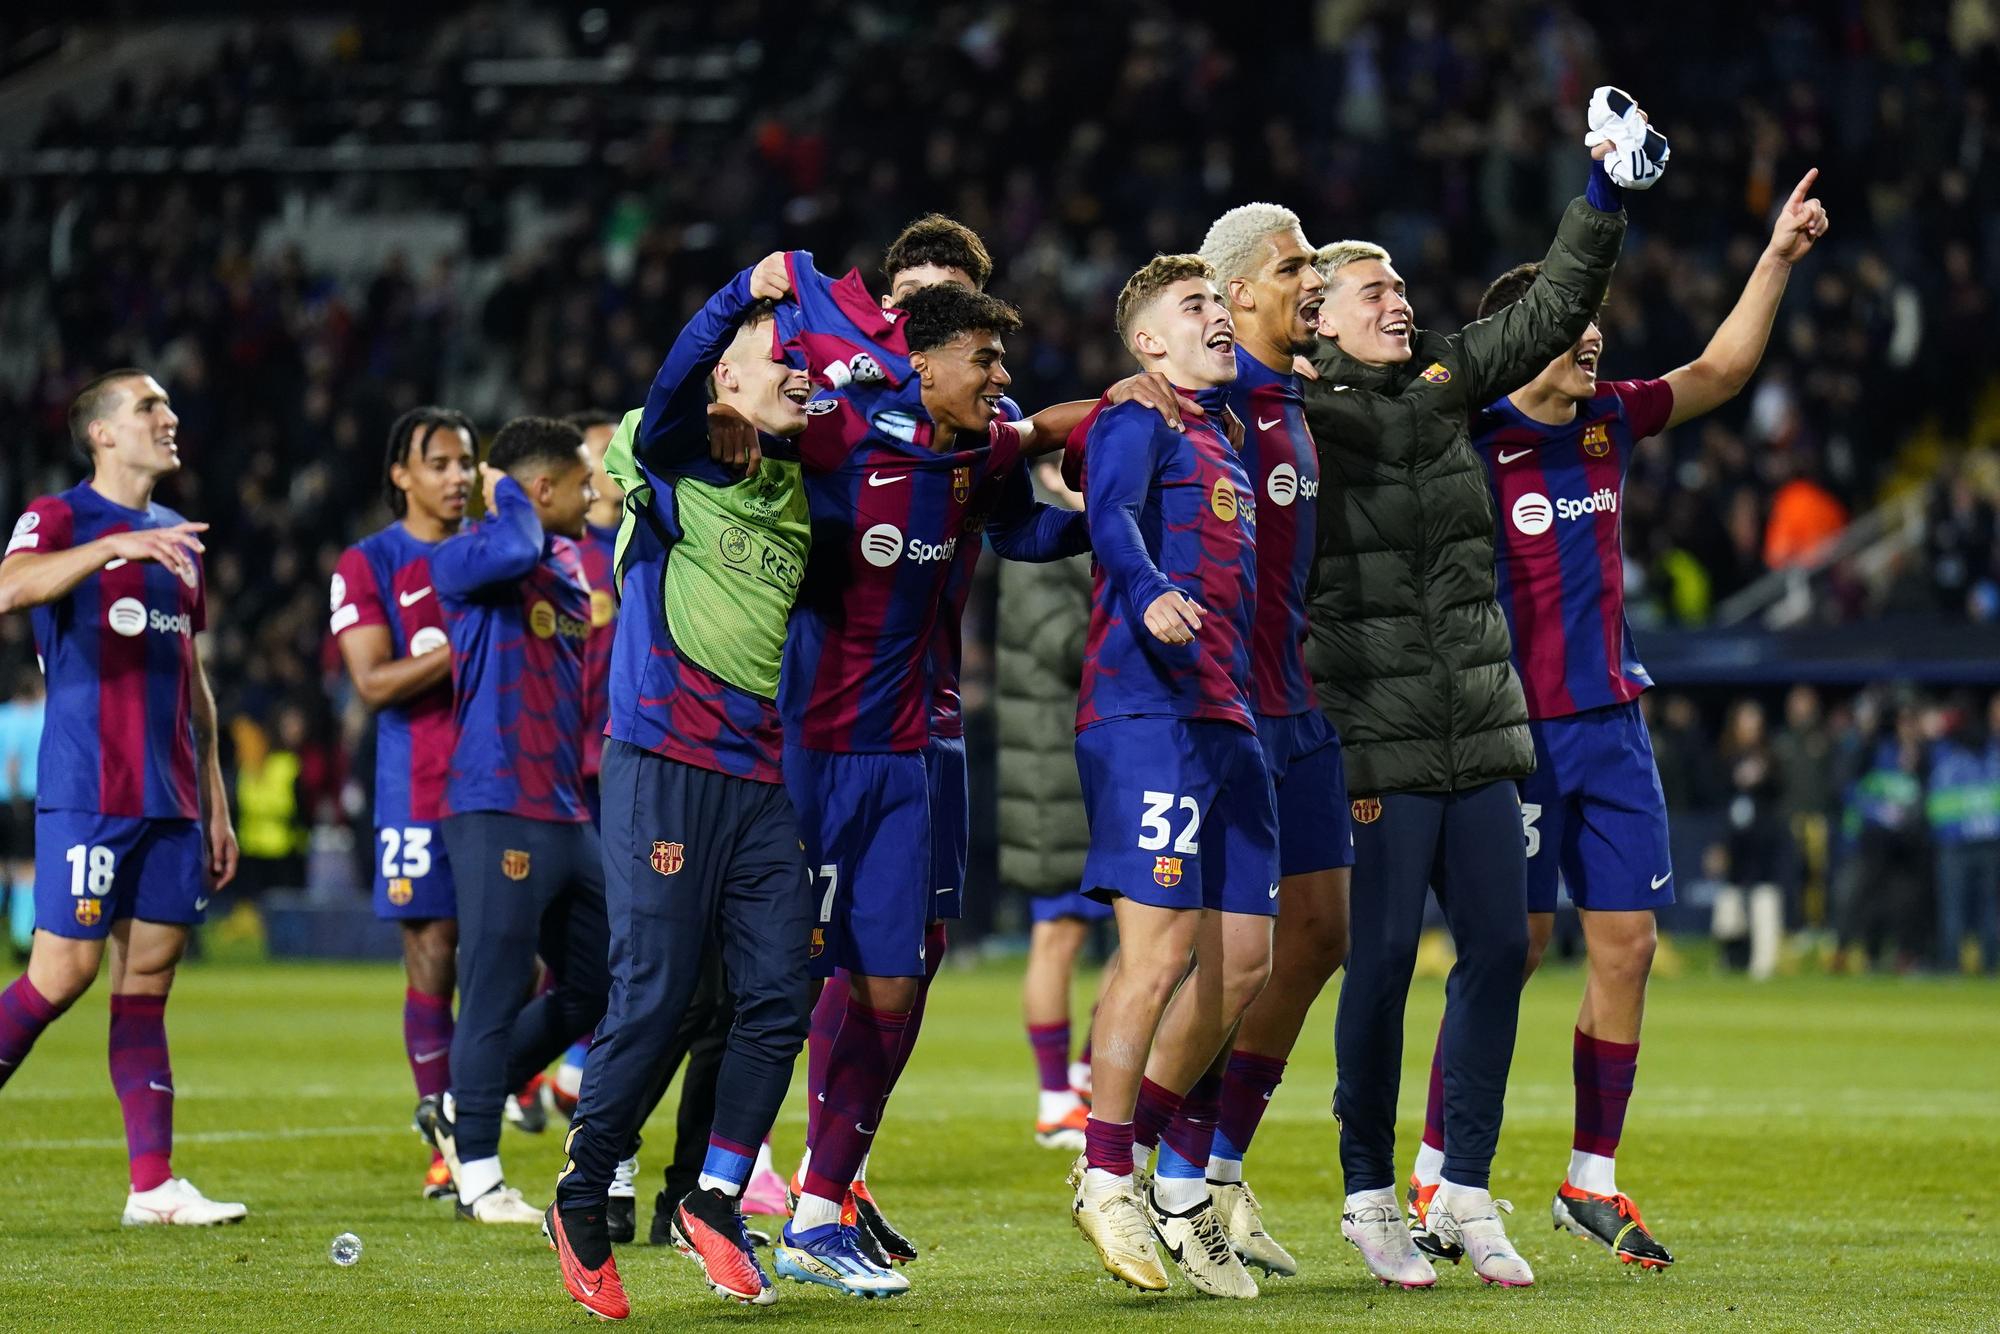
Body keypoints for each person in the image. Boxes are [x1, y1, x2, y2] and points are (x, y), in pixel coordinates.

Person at [1412, 167, 1828, 1269]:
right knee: (1511, 948)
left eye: (1593, 318)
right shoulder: (1465, 436)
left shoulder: (1608, 422)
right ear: (1519, 334)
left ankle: (1587, 1177)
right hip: (1513, 729)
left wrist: (1777, 255)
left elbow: (1721, 368)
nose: (1589, 336)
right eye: (1567, 321)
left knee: (1630, 944)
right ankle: (1430, 1166)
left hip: (1610, 720)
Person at [1298, 94, 1644, 1289]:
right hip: (1378, 738)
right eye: (1370, 291)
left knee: (1500, 945)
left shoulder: (1446, 385)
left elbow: (1551, 306)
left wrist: (1599, 189)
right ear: (1318, 321)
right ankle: (1365, 1191)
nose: (1397, 300)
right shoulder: (1299, 419)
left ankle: (1465, 1187)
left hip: (1482, 727)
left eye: (1399, 286)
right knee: (1383, 958)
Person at [776, 279, 1095, 1300]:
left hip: (925, 745)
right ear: (920, 354)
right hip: (821, 746)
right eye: (984, 358)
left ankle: (821, 1201)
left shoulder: (985, 449)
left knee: (904, 974)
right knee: (779, 980)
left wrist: (1106, 508)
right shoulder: (832, 438)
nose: (1001, 378)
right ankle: (703, 1184)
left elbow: (1025, 533)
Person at [548, 256, 819, 1318]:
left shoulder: (802, 482)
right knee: (657, 991)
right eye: (775, 356)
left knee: (776, 994)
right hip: (662, 761)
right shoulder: (666, 454)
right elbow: (661, 394)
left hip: (757, 772)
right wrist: (739, 295)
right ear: (724, 383)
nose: (798, 369)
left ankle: (711, 1194)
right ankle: (579, 1192)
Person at [1120, 199, 1351, 1280]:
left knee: (1315, 937)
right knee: (1222, 959)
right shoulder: (1196, 400)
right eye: (1293, 262)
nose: (1314, 276)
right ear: (1237, 291)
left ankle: (1211, 1165)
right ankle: (1157, 1171)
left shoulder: (1299, 397)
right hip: (1225, 710)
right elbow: (1105, 413)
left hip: (1296, 703)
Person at [1067, 254, 1276, 1301]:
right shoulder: (1133, 417)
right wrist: (1147, 588)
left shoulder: (1224, 432)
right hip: (1145, 711)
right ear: (1147, 342)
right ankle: (1106, 1172)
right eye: (1191, 306)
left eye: (1217, 301)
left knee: (1242, 963)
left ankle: (1130, 1145)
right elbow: (1108, 518)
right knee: (1153, 955)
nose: (1215, 315)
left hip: (1227, 716)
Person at [0, 368, 244, 1224]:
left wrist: (215, 800)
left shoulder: (179, 531)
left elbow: (193, 675)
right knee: (61, 974)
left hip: (173, 793)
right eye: (148, 407)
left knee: (147, 983)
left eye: (170, 405)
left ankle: (153, 1187)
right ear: (102, 433)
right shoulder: (60, 515)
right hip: (91, 787)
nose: (169, 418)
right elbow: (8, 588)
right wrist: (111, 547)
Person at [415, 416, 612, 1224]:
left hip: (564, 805)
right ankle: (481, 1177)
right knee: (493, 990)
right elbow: (509, 548)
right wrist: (501, 489)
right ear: (536, 491)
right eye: (578, 483)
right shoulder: (470, 556)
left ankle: (467, 1106)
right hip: (494, 804)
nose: (592, 492)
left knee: (600, 983)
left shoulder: (566, 562)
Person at [329, 406, 477, 1200]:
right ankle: (445, 1138)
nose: (458, 477)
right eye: (441, 463)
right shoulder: (370, 563)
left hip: (509, 780)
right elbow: (374, 682)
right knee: (431, 953)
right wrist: (471, 646)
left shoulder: (499, 552)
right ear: (402, 474)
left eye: (466, 463)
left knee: (529, 960)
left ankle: (483, 1102)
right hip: (418, 783)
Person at [999, 456, 1111, 1152]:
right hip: (1052, 768)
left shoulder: (1085, 524)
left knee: (1149, 930)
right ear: (1047, 467)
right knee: (1061, 930)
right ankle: (1055, 1097)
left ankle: (1085, 1075)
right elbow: (1063, 642)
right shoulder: (1034, 535)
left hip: (1078, 757)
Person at [1928, 693, 2000, 973]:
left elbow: (1938, 806)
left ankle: (1953, 965)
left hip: (1959, 844)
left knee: (1959, 907)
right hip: (1982, 842)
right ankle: (1987, 965)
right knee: (1984, 908)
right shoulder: (1989, 758)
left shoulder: (1948, 760)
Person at [0, 669, 45, 956]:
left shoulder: (3, 716)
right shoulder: (38, 718)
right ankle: (22, 940)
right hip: (22, 799)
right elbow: (14, 763)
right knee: (27, 870)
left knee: (2, 869)